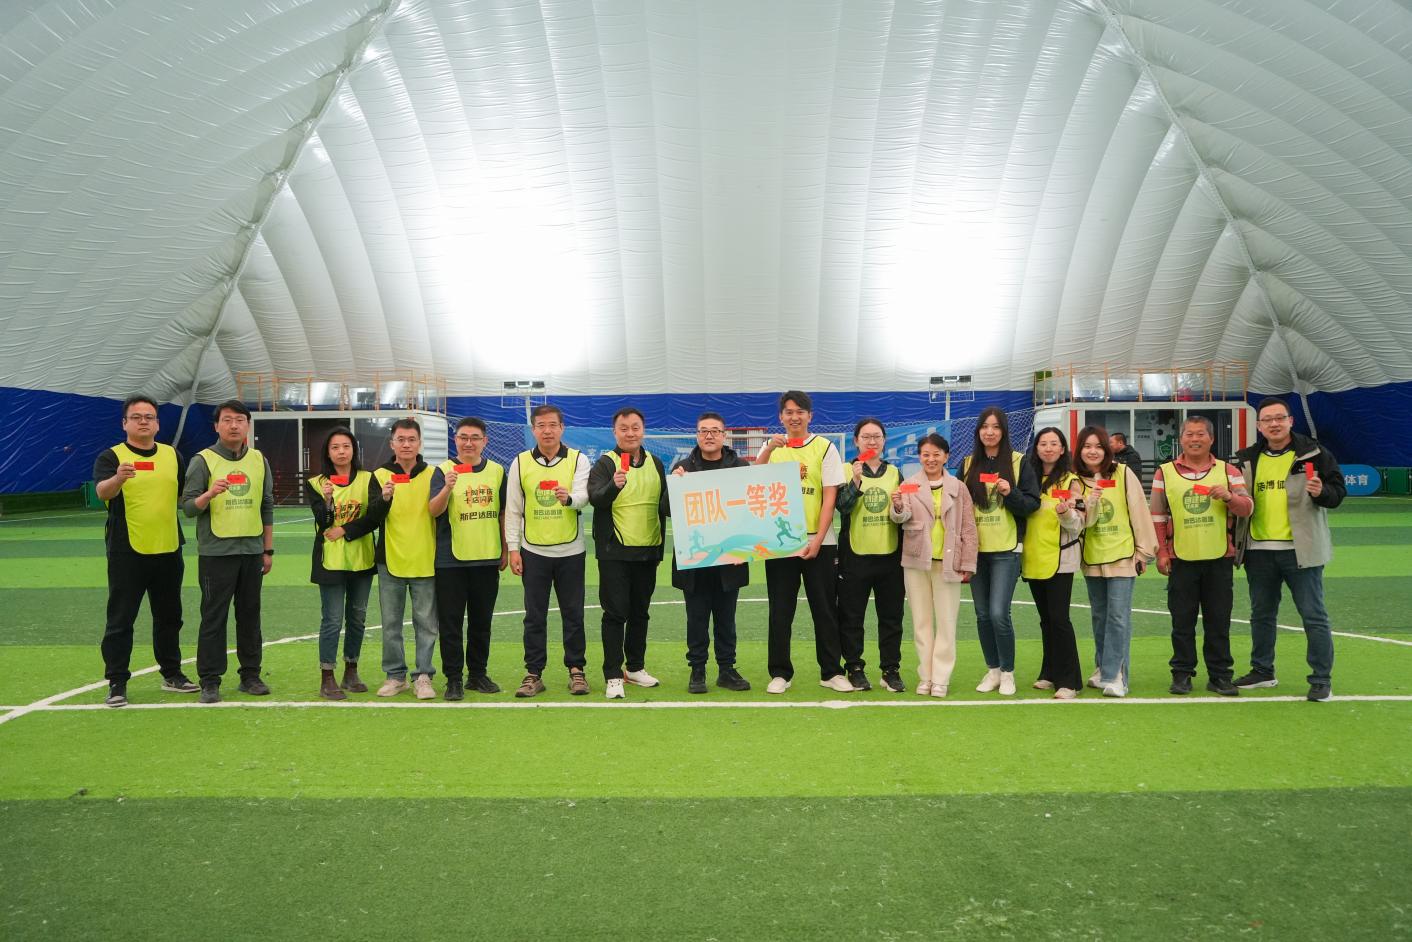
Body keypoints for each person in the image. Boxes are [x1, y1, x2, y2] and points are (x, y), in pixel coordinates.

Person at [1232, 398, 1346, 702]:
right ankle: (1262, 671)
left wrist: (1322, 492)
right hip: (1258, 549)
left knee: (1313, 615)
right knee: (1261, 614)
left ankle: (1321, 679)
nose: (1274, 424)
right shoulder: (1247, 458)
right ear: (1259, 426)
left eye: (1279, 418)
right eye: (1267, 420)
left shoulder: (1315, 453)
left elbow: (1338, 493)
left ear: (1290, 421)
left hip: (1301, 550)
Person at [93, 395, 197, 707]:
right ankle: (117, 681)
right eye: (136, 417)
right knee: (121, 619)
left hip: (168, 548)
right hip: (127, 551)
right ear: (124, 423)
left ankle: (172, 674)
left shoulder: (172, 455)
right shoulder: (112, 456)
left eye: (149, 417)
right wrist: (118, 478)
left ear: (157, 424)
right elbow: (102, 492)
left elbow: (183, 496)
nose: (143, 422)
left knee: (169, 616)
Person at [755, 390, 852, 694]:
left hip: (819, 541)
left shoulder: (825, 448)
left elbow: (829, 497)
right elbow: (754, 483)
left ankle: (831, 671)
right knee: (780, 610)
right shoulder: (772, 447)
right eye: (789, 412)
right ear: (780, 417)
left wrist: (818, 539)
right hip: (781, 540)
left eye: (800, 412)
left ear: (810, 416)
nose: (794, 417)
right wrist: (769, 449)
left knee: (825, 608)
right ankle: (780, 673)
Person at [1150, 416, 1253, 697]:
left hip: (1219, 558)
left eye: (1200, 434)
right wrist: (1161, 552)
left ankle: (1220, 675)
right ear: (1181, 439)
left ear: (1211, 439)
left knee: (1218, 621)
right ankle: (1182, 673)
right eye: (1189, 434)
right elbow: (1157, 515)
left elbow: (1247, 508)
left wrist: (1229, 497)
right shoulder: (1164, 472)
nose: (1195, 439)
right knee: (1181, 621)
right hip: (1180, 558)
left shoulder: (1229, 471)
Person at [181, 399, 275, 703]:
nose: (234, 425)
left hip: (252, 551)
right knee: (214, 617)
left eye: (239, 420)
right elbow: (188, 508)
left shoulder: (259, 459)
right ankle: (210, 680)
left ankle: (251, 675)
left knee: (250, 615)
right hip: (216, 554)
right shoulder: (202, 460)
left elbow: (267, 505)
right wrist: (209, 494)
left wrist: (268, 550)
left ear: (247, 425)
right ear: (216, 426)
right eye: (227, 420)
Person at [504, 404, 592, 697]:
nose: (547, 431)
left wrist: (570, 499)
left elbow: (584, 496)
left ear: (562, 428)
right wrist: (513, 549)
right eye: (541, 425)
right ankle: (533, 673)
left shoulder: (578, 459)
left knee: (573, 614)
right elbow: (513, 509)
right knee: (534, 616)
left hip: (571, 551)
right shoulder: (520, 462)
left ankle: (576, 671)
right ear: (533, 430)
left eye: (553, 425)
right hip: (533, 551)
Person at [665, 412, 752, 694]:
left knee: (727, 618)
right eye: (704, 431)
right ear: (697, 435)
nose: (709, 435)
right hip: (696, 557)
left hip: (730, 557)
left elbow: (752, 511)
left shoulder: (740, 467)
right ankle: (697, 670)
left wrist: (745, 548)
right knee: (697, 618)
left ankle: (727, 669)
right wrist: (675, 486)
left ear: (724, 435)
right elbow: (665, 509)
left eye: (715, 430)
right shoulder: (683, 468)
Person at [588, 407, 669, 700]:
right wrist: (614, 485)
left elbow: (664, 504)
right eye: (624, 428)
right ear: (615, 432)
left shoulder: (656, 463)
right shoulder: (605, 463)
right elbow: (596, 498)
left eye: (635, 427)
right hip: (615, 552)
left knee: (640, 613)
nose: (630, 433)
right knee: (615, 614)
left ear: (643, 430)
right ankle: (613, 674)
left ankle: (635, 667)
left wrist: (680, 483)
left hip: (648, 550)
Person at [960, 407, 1041, 696]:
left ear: (1004, 431)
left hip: (1007, 550)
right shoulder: (967, 464)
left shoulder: (1019, 462)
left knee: (998, 613)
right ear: (978, 431)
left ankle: (1008, 672)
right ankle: (992, 670)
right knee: (982, 614)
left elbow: (1032, 504)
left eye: (995, 427)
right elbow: (958, 506)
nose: (990, 432)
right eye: (985, 426)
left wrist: (1011, 493)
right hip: (976, 552)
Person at [1074, 426, 1157, 698]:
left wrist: (1143, 551)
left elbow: (1139, 510)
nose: (1093, 451)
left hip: (1122, 555)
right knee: (1100, 616)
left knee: (1118, 617)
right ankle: (1103, 668)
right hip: (1092, 558)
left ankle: (1117, 676)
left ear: (1107, 449)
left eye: (1098, 446)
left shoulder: (1122, 473)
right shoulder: (1076, 480)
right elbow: (1082, 521)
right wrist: (1090, 502)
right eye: (1087, 446)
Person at [428, 417, 508, 700]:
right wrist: (447, 488)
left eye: (475, 438)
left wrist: (505, 548)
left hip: (486, 557)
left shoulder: (497, 471)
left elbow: (503, 513)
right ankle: (453, 679)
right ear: (456, 440)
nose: (469, 443)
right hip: (451, 560)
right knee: (450, 623)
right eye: (463, 437)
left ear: (485, 441)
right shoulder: (443, 471)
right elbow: (433, 511)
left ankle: (477, 674)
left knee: (481, 621)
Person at [891, 434, 977, 697]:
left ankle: (941, 678)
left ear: (946, 457)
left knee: (947, 622)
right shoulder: (909, 484)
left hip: (949, 562)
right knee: (921, 622)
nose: (931, 459)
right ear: (919, 457)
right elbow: (901, 517)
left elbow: (969, 527)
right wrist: (897, 506)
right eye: (926, 454)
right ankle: (926, 676)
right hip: (917, 562)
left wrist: (968, 562)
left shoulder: (959, 487)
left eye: (936, 454)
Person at [362, 418, 440, 700]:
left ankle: (423, 676)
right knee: (391, 623)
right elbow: (372, 518)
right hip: (390, 561)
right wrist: (383, 499)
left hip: (426, 559)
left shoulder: (433, 474)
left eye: (411, 440)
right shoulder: (379, 475)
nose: (406, 445)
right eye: (401, 440)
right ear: (392, 443)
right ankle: (395, 676)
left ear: (419, 443)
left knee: (426, 624)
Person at [306, 427, 378, 700]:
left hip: (362, 559)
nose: (341, 452)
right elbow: (322, 522)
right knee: (333, 620)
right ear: (328, 452)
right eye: (335, 447)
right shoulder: (316, 483)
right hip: (330, 562)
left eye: (346, 446)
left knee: (357, 618)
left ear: (354, 450)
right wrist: (327, 501)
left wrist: (345, 530)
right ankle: (327, 676)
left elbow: (374, 518)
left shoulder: (368, 479)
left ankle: (351, 671)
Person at [835, 418, 906, 693]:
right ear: (856, 441)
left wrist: (899, 507)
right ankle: (854, 667)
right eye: (866, 437)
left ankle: (891, 670)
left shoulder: (896, 472)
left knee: (891, 617)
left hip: (890, 556)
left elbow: (904, 514)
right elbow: (842, 507)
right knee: (852, 617)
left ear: (884, 440)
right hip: (855, 556)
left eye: (877, 436)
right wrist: (855, 482)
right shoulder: (845, 470)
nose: (872, 442)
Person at [1019, 427, 1086, 700]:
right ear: (1036, 448)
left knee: (1059, 620)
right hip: (1033, 556)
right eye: (1043, 443)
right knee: (1046, 619)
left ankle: (1070, 681)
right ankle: (1049, 672)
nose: (1048, 448)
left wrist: (1065, 514)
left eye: (1054, 443)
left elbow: (1078, 524)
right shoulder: (1029, 478)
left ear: (1062, 449)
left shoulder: (1072, 482)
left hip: (1061, 558)